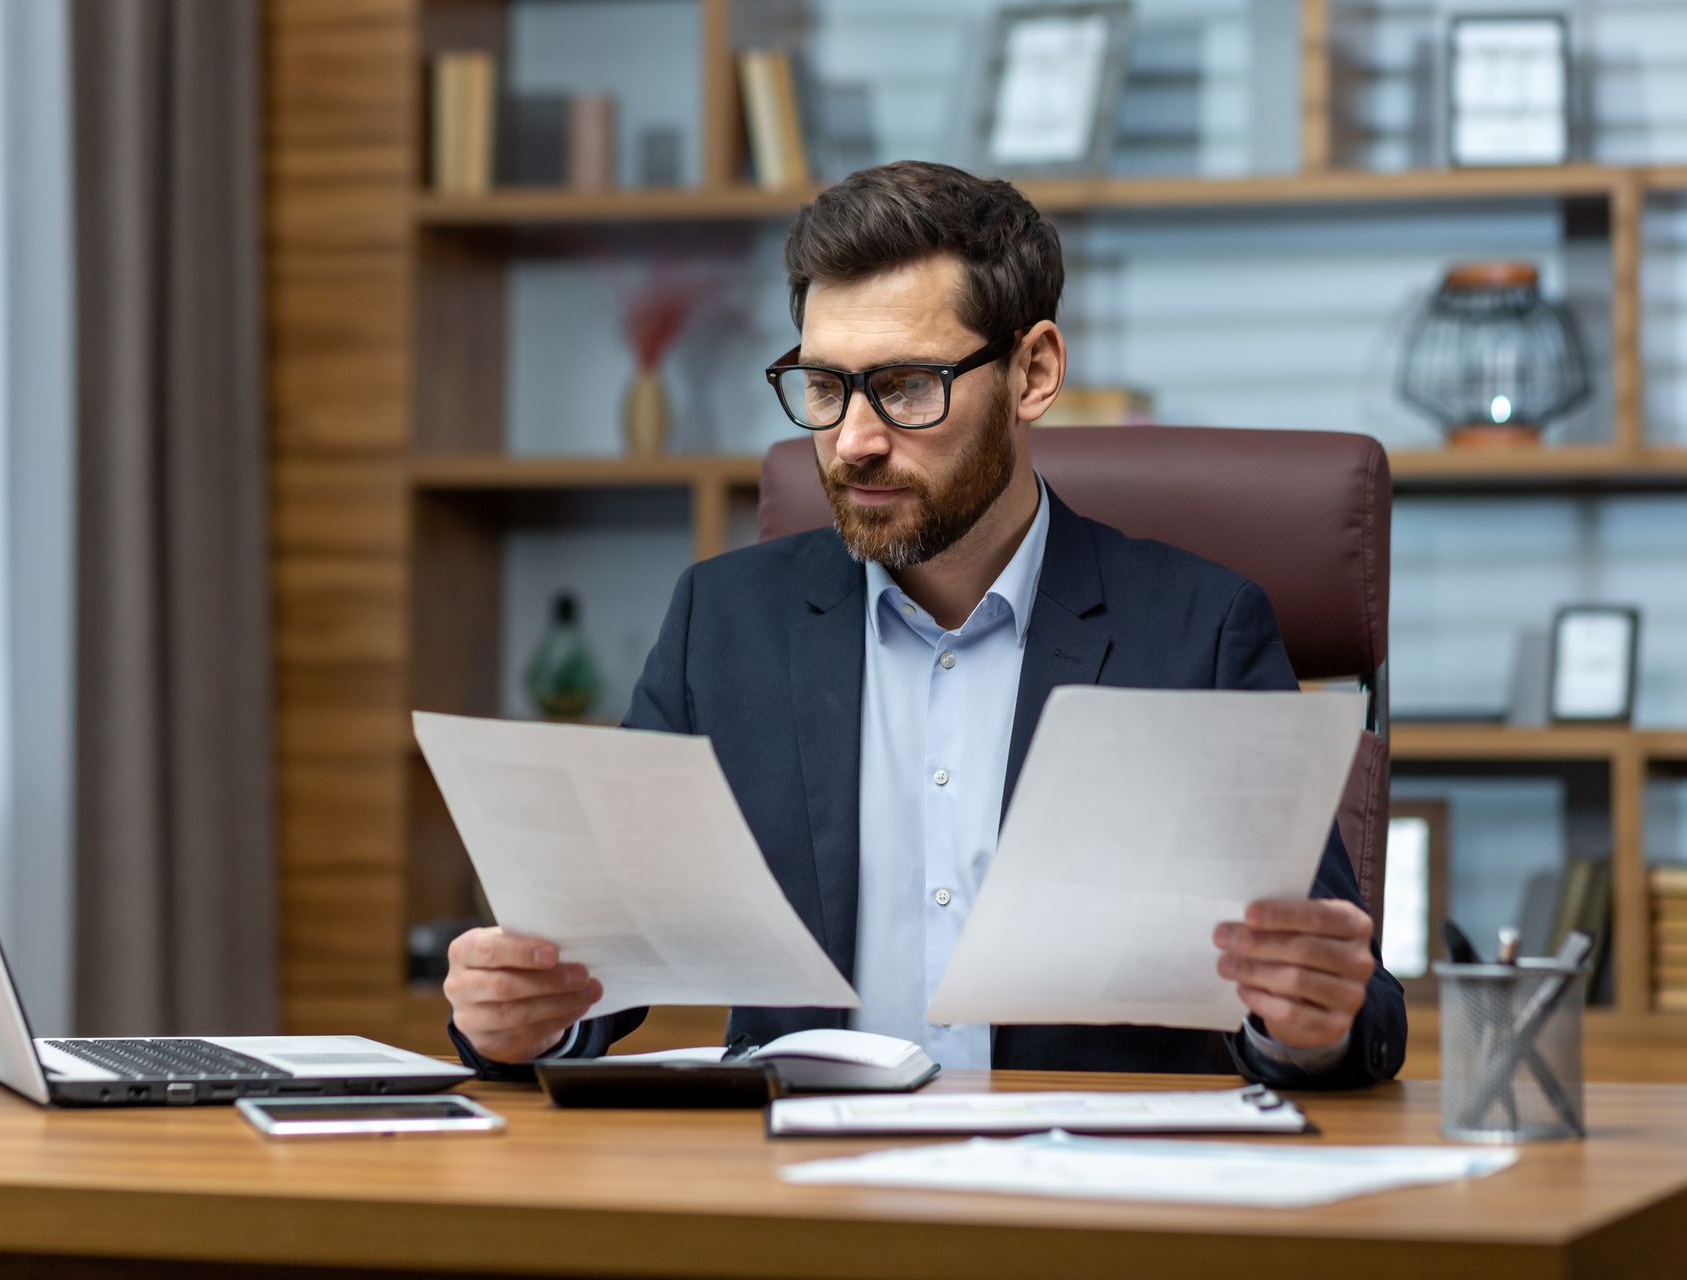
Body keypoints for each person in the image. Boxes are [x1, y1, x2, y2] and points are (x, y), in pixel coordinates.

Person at [444, 160, 1406, 1087]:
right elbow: (598, 961)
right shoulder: (723, 623)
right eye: (825, 387)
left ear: (1033, 372)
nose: (854, 440)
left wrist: (1307, 1022)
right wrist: (522, 1015)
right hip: (799, 1203)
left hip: (1087, 1199)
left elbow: (1350, 1004)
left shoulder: (1198, 632)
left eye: (906, 386)